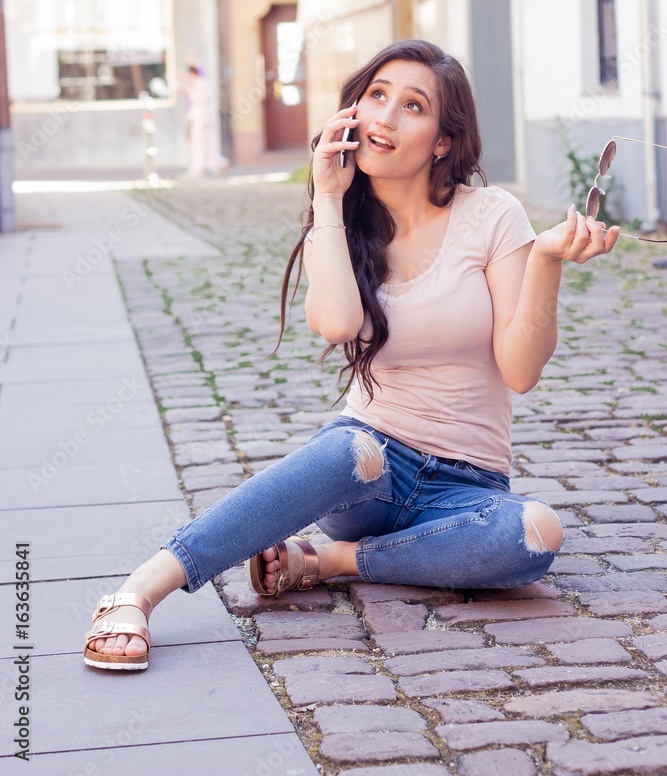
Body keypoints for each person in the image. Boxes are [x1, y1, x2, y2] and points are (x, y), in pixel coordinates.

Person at [83, 39, 619, 670]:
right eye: (376, 96)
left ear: (443, 140)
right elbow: (336, 323)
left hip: (466, 486)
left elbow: (520, 370)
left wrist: (548, 262)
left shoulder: (493, 216)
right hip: (369, 471)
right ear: (353, 113)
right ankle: (139, 590)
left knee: (537, 534)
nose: (385, 118)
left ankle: (334, 561)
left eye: (413, 106)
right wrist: (329, 198)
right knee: (350, 447)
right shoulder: (338, 227)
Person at [183, 62, 229, 178]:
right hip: (197, 115)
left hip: (200, 117)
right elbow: (187, 91)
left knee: (200, 143)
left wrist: (205, 118)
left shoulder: (200, 83)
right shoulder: (196, 83)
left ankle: (198, 168)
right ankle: (219, 163)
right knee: (203, 143)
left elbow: (204, 101)